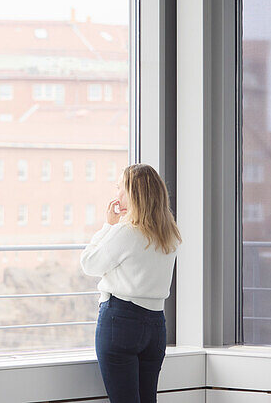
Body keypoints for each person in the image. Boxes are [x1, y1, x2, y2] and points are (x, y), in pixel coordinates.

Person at [80, 164, 181, 403]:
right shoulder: (170, 234)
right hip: (156, 326)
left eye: (121, 188)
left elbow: (89, 264)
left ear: (135, 194)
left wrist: (108, 226)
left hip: (120, 321)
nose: (117, 196)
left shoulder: (127, 231)